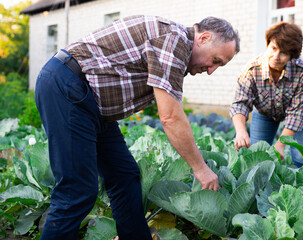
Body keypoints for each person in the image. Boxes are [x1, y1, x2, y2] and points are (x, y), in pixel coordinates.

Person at [35, 15, 240, 240]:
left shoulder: (174, 45)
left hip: (91, 101)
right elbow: (170, 117)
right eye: (216, 60)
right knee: (76, 191)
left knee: (125, 176)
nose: (212, 70)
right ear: (204, 38)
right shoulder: (173, 41)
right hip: (68, 86)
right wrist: (200, 169)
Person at [229, 21, 303, 167]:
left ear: (292, 55)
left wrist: (280, 145)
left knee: (301, 158)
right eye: (273, 48)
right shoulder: (252, 70)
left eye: (284, 53)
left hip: (300, 114)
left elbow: (296, 115)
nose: (276, 56)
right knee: (257, 157)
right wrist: (241, 131)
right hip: (264, 113)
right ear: (268, 45)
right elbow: (239, 103)